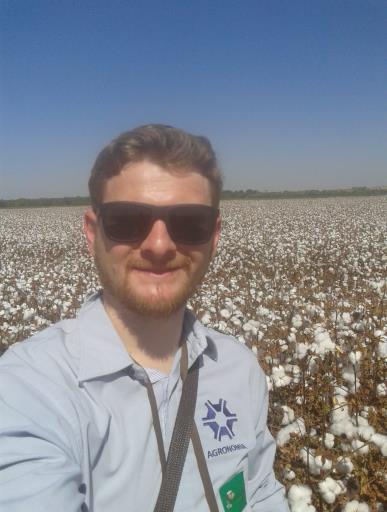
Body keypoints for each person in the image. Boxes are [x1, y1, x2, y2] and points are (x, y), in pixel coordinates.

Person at [0, 124, 289, 511]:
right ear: (92, 231)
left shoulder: (240, 369)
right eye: (127, 220)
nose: (159, 245)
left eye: (190, 223)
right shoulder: (29, 388)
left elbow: (261, 494)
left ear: (214, 235)